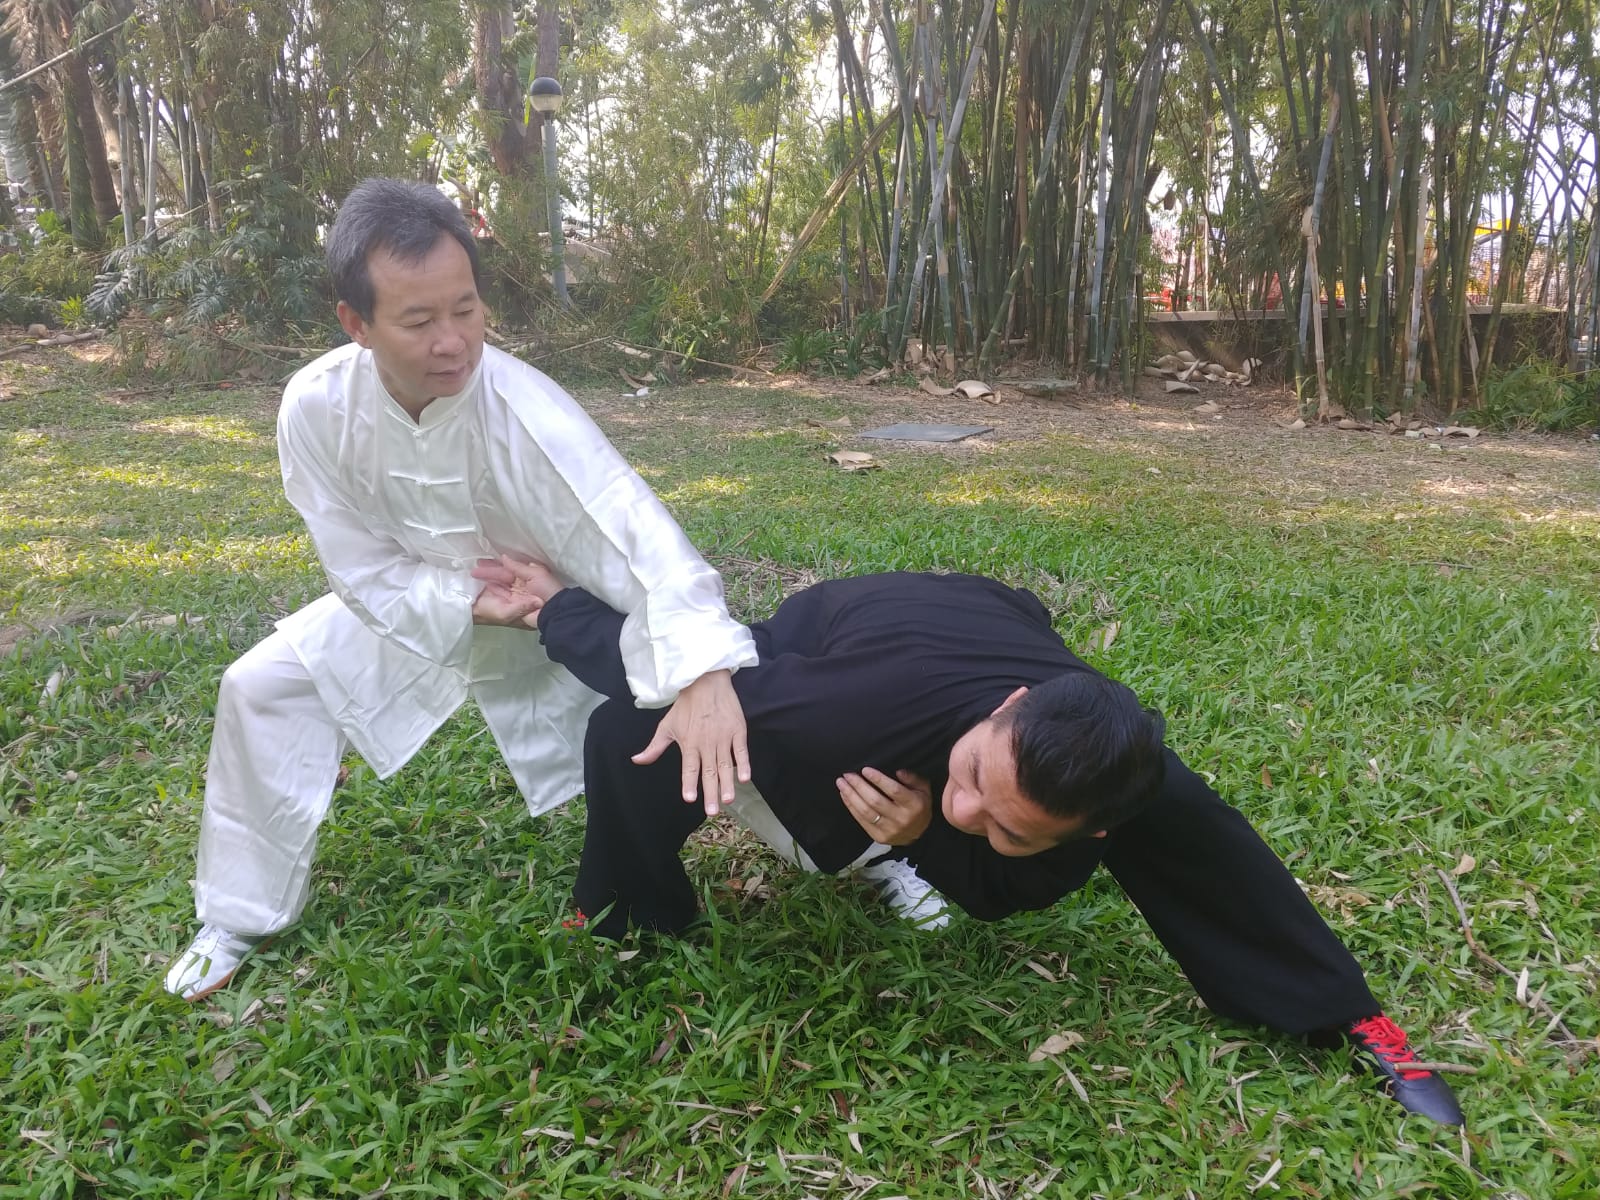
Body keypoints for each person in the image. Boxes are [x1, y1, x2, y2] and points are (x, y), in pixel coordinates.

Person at [481, 561, 1465, 1126]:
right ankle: (626, 911)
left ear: (1095, 830)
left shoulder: (1132, 776)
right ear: (1009, 708)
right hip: (840, 638)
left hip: (995, 615)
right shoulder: (848, 707)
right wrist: (551, 606)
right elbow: (673, 676)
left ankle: (1345, 1020)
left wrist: (922, 834)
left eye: (1007, 826)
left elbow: (1219, 877)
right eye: (969, 781)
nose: (964, 812)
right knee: (638, 732)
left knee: (1181, 827)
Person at [162, 178, 760, 1002]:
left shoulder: (528, 413)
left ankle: (871, 855)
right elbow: (357, 565)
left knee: (716, 714)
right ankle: (236, 915)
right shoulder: (315, 409)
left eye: (467, 310)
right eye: (418, 322)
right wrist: (466, 603)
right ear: (356, 324)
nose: (453, 342)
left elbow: (643, 540)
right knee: (262, 687)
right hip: (418, 606)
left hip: (559, 611)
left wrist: (701, 665)